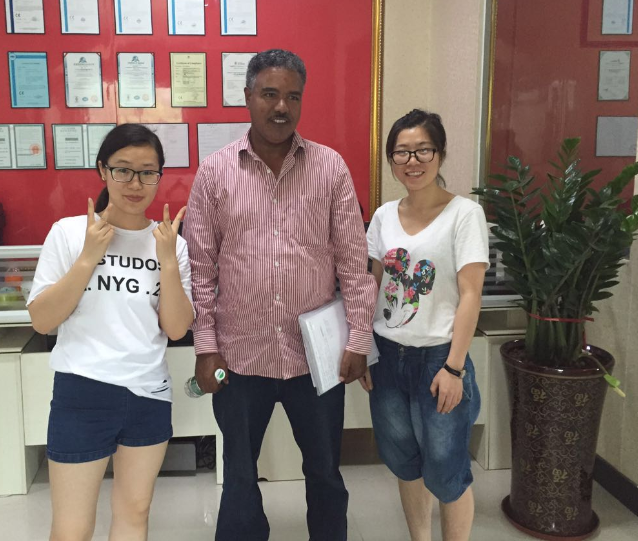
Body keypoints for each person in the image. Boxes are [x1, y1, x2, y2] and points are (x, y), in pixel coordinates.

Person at [184, 48, 377, 541]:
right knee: (239, 475)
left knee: (325, 473)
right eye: (269, 94)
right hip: (238, 358)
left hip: (316, 361)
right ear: (248, 96)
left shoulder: (330, 168)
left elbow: (353, 263)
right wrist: (206, 348)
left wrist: (359, 339)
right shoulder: (215, 172)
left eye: (293, 96)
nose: (281, 107)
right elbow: (200, 270)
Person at [27, 124, 194, 541]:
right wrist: (88, 258)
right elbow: (42, 320)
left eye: (147, 172)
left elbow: (176, 328)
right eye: (123, 170)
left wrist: (168, 262)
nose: (135, 184)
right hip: (83, 392)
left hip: (148, 393)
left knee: (135, 514)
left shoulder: (171, 244)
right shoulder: (69, 233)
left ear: (159, 175)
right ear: (103, 171)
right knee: (72, 527)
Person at [361, 109, 489, 541]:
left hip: (439, 357)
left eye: (422, 150)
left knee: (447, 468)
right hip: (387, 355)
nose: (412, 161)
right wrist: (363, 348)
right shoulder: (383, 217)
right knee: (405, 461)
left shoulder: (464, 214)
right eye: (401, 152)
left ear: (440, 154)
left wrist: (454, 368)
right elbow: (373, 285)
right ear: (391, 160)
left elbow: (471, 294)